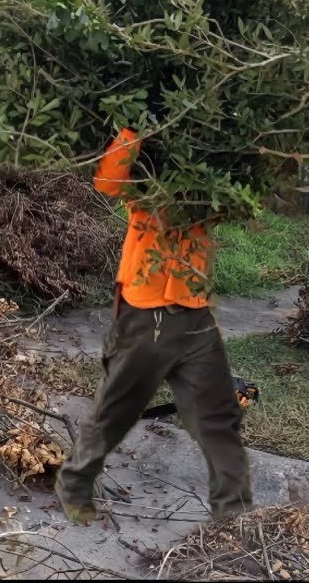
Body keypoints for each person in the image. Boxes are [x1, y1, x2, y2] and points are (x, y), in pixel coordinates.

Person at [55, 127, 252, 524]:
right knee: (116, 409)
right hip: (145, 313)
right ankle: (74, 485)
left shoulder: (205, 190)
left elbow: (237, 204)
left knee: (217, 415)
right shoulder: (142, 185)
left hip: (194, 312)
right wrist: (135, 130)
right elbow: (107, 182)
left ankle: (236, 517)